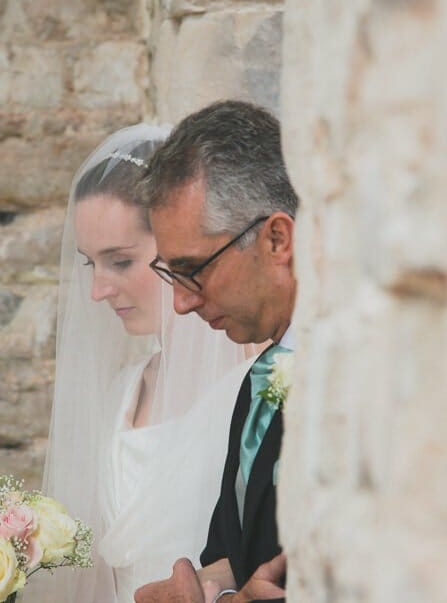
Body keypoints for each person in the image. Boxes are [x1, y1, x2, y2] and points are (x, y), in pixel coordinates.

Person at [35, 124, 255, 602]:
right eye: (91, 264)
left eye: (119, 261)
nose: (98, 291)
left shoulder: (257, 383)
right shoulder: (121, 393)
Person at [133, 101, 298, 603]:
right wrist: (206, 589)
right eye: (171, 275)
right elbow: (238, 550)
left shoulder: (367, 370)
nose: (181, 303)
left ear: (276, 239)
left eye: (193, 270)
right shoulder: (259, 381)